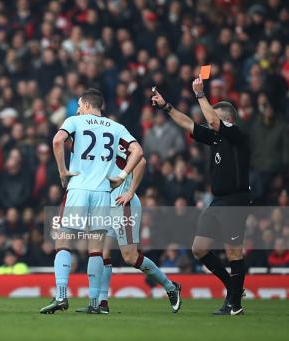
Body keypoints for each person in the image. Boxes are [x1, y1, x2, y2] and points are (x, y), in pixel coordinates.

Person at [152, 77, 251, 315]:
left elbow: (213, 120)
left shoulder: (237, 136)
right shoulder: (216, 137)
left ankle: (234, 305)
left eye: (213, 117)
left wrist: (200, 94)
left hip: (236, 199)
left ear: (226, 119)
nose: (209, 121)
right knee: (199, 248)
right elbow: (188, 124)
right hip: (218, 201)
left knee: (233, 251)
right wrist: (167, 107)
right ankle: (232, 287)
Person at [40, 89, 143, 314]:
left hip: (78, 187)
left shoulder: (74, 120)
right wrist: (123, 176)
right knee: (95, 248)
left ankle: (60, 295)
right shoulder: (117, 127)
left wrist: (62, 171)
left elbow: (58, 140)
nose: (77, 109)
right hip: (103, 192)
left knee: (63, 240)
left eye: (79, 105)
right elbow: (138, 151)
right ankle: (95, 303)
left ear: (86, 105)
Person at [97, 149, 181, 314]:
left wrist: (131, 191)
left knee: (130, 257)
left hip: (123, 205)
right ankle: (102, 303)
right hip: (108, 206)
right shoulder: (95, 145)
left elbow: (141, 162)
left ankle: (171, 287)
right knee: (102, 254)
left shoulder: (117, 139)